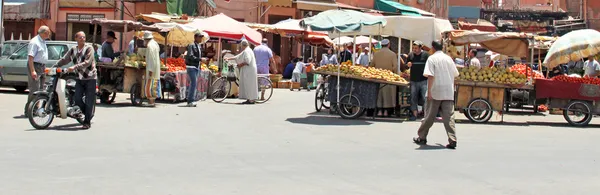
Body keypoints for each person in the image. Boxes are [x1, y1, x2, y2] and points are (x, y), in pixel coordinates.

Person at [413, 40, 459, 149]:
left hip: (435, 91)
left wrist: (429, 92)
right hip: (448, 91)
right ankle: (453, 139)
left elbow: (430, 76)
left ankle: (422, 137)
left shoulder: (432, 59)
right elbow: (455, 74)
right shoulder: (448, 59)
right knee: (449, 117)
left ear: (433, 48)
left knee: (429, 116)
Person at [54, 31, 97, 129]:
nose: (83, 38)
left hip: (90, 77)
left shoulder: (89, 48)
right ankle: (87, 112)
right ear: (76, 39)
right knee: (77, 98)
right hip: (79, 77)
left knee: (89, 100)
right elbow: (65, 59)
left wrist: (74, 67)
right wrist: (56, 65)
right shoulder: (73, 49)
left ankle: (87, 122)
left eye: (84, 37)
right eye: (80, 37)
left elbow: (87, 62)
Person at [24, 26, 51, 116]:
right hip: (35, 66)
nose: (49, 34)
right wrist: (33, 71)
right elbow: (30, 58)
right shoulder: (34, 42)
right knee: (34, 89)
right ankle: (29, 110)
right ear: (44, 33)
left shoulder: (42, 41)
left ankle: (35, 108)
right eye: (48, 32)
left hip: (41, 67)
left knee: (41, 89)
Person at [225, 40, 258, 104]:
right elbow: (238, 56)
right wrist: (229, 58)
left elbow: (247, 61)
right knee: (249, 84)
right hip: (249, 70)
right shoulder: (248, 50)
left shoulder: (246, 51)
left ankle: (250, 99)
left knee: (248, 84)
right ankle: (250, 98)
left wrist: (239, 65)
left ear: (243, 45)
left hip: (249, 70)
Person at [371, 39, 398, 117]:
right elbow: (395, 67)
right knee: (387, 95)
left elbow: (372, 65)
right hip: (388, 78)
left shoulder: (376, 54)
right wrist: (394, 75)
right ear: (388, 44)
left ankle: (379, 111)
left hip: (378, 77)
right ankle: (386, 111)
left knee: (379, 94)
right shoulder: (392, 54)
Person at [407, 41, 430, 121]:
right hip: (413, 80)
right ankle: (414, 114)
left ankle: (426, 115)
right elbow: (407, 65)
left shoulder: (426, 55)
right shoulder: (410, 55)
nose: (414, 50)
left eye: (416, 48)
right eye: (413, 48)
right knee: (413, 97)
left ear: (421, 48)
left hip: (424, 80)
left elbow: (430, 66)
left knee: (424, 98)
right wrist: (408, 64)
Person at [184, 32, 204, 107]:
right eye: (199, 37)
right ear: (195, 37)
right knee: (193, 83)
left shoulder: (199, 46)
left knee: (193, 83)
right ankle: (190, 101)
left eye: (201, 37)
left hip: (196, 67)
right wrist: (200, 59)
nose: (200, 39)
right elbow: (190, 56)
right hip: (191, 66)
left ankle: (191, 99)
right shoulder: (192, 45)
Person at [142, 31, 161, 107]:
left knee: (150, 85)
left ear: (146, 39)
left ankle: (151, 101)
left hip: (152, 68)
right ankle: (152, 101)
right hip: (156, 67)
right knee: (154, 84)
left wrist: (150, 69)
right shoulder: (155, 44)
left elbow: (151, 59)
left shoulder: (150, 46)